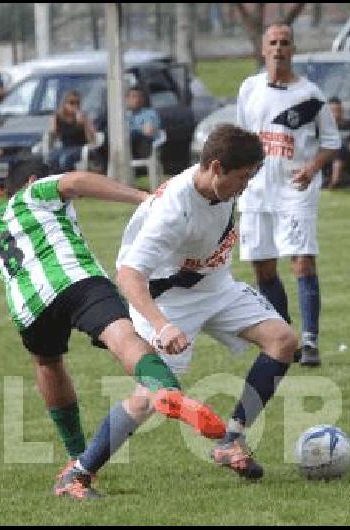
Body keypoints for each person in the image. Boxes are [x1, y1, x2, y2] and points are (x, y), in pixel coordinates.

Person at [0, 161, 225, 500]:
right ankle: (163, 390)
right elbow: (77, 181)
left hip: (28, 307)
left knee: (48, 363)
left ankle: (76, 454)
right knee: (122, 336)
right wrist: (144, 197)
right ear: (31, 180)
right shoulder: (35, 192)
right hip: (75, 279)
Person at [109, 124, 298, 484]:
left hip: (216, 286)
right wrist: (163, 325)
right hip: (169, 300)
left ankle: (232, 440)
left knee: (283, 340)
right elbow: (129, 276)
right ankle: (82, 468)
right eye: (242, 178)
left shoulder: (222, 189)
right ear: (215, 167)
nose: (245, 187)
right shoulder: (173, 211)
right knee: (150, 398)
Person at [236, 23, 341, 367]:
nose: (279, 48)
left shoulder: (310, 95)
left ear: (293, 50)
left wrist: (311, 168)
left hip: (295, 190)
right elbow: (240, 137)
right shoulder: (250, 88)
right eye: (273, 43)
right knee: (263, 268)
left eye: (285, 43)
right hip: (255, 191)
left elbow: (331, 143)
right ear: (264, 50)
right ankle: (286, 337)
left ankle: (310, 341)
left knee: (301, 261)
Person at [47, 90, 96, 173]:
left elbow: (92, 140)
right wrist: (53, 129)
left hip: (80, 147)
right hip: (65, 146)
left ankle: (68, 181)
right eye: (72, 103)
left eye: (77, 103)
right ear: (65, 104)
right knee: (52, 157)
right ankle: (56, 181)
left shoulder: (83, 117)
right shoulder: (58, 117)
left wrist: (84, 125)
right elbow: (52, 138)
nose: (75, 106)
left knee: (66, 159)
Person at [325, 96, 350, 189]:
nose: (336, 113)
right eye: (333, 111)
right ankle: (335, 180)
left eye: (338, 110)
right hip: (327, 154)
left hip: (347, 154)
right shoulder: (322, 127)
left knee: (340, 148)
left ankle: (336, 180)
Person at [126, 85, 162, 160]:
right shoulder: (124, 114)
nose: (137, 100)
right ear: (127, 99)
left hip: (143, 145)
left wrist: (133, 130)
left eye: (139, 97)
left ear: (143, 99)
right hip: (127, 145)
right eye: (133, 97)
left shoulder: (149, 113)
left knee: (134, 134)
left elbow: (148, 131)